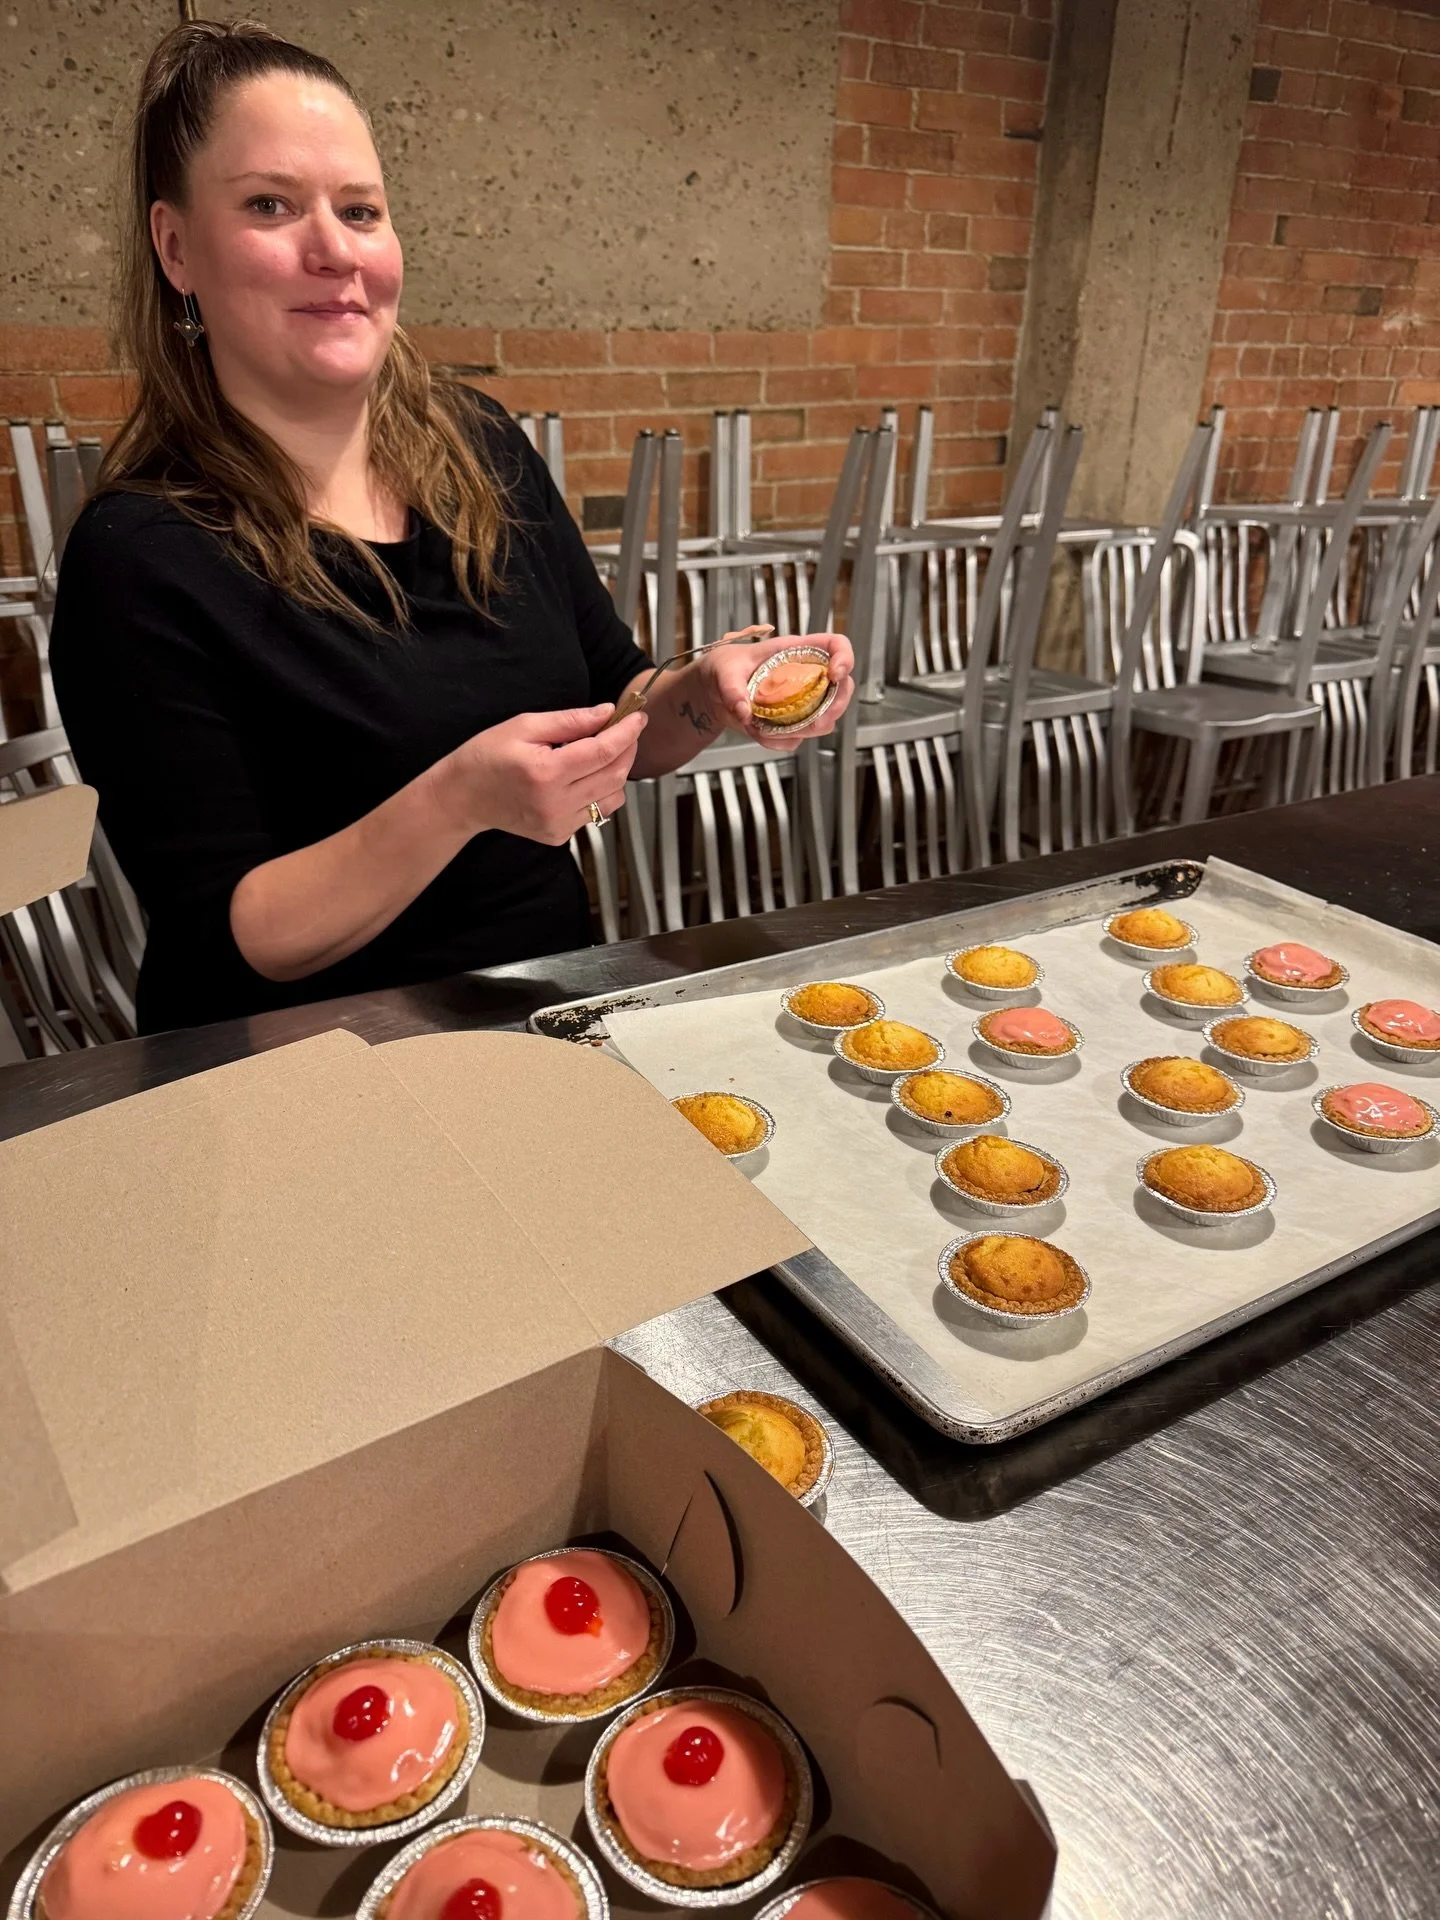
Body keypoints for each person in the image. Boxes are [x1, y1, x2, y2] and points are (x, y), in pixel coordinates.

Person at [49, 20, 854, 1034]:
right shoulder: (140, 556)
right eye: (270, 206)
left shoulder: (481, 448)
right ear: (177, 247)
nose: (334, 249)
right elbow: (228, 927)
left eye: (360, 210)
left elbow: (615, 702)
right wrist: (459, 799)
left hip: (541, 1012)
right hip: (303, 1065)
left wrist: (694, 696)